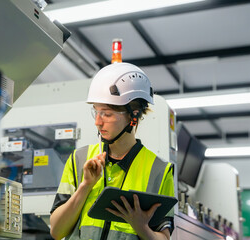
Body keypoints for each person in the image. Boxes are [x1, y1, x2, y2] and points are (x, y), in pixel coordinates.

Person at [50, 62, 175, 240]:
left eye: (107, 114)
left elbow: (164, 237)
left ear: (134, 115)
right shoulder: (79, 159)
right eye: (96, 112)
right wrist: (85, 186)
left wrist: (141, 227)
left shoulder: (160, 171)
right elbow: (56, 231)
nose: (98, 122)